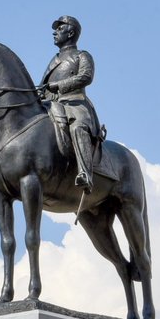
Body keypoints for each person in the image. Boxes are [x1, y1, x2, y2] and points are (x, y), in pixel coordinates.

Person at [39, 15, 101, 192]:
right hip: (51, 105)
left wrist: (59, 85)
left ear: (71, 32)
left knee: (77, 127)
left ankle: (85, 174)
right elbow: (45, 85)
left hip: (75, 103)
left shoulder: (83, 55)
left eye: (60, 29)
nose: (55, 32)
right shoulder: (54, 60)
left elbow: (85, 77)